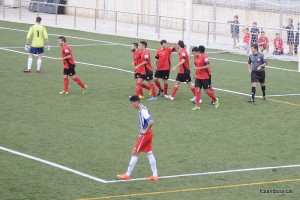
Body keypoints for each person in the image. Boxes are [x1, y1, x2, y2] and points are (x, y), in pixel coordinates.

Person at [117, 95, 159, 181]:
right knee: (149, 153)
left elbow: (151, 122)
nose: (131, 105)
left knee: (135, 152)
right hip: (149, 134)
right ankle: (155, 175)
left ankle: (127, 174)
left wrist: (145, 130)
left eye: (132, 103)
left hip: (146, 135)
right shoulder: (143, 108)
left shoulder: (143, 111)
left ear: (136, 102)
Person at [191, 46, 219, 110]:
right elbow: (196, 66)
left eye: (194, 53)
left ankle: (215, 100)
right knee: (197, 90)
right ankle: (197, 106)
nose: (193, 55)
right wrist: (195, 74)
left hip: (205, 77)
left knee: (207, 91)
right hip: (198, 77)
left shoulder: (204, 57)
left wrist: (199, 68)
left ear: (198, 52)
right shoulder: (195, 58)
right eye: (193, 53)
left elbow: (208, 65)